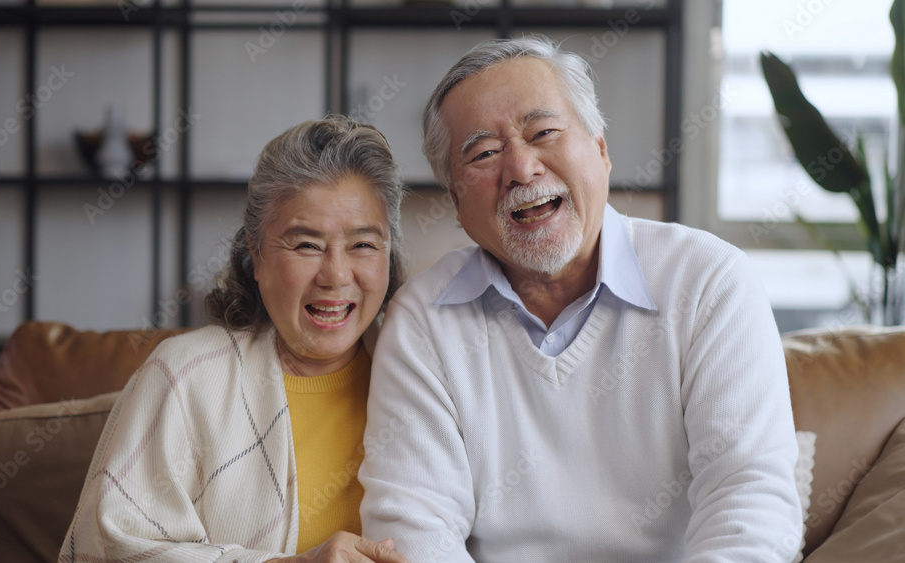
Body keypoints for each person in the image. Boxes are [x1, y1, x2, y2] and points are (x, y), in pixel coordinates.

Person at [358, 36, 803, 562]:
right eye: (484, 153)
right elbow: (412, 529)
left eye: (543, 131)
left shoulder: (710, 283)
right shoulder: (422, 321)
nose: (521, 169)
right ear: (456, 201)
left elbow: (750, 504)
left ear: (600, 149)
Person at [60, 115, 411, 563]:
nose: (336, 276)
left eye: (363, 245)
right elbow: (110, 549)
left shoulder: (424, 373)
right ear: (256, 255)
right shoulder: (184, 375)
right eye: (306, 245)